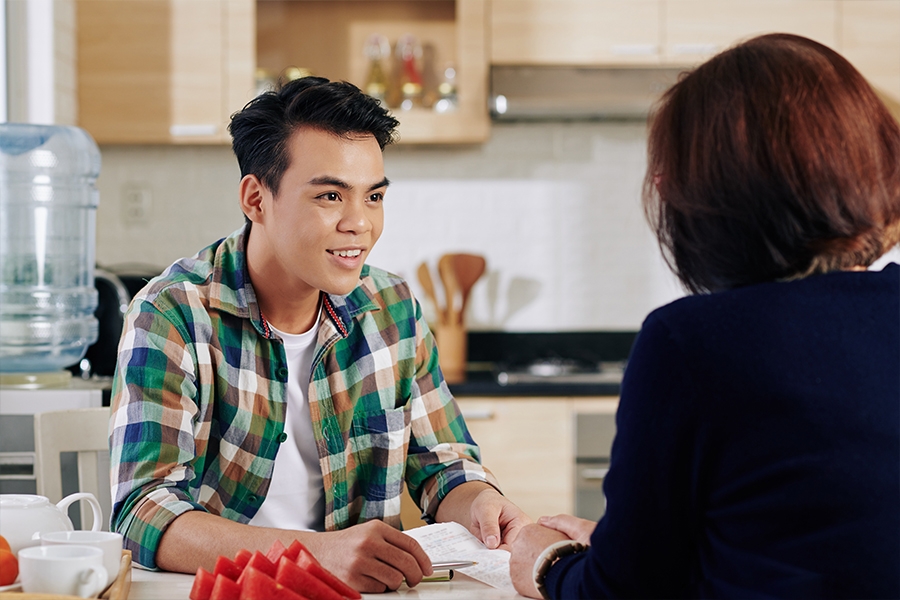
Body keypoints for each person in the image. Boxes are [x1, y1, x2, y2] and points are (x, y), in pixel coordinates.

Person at [509, 33, 900, 599]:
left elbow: (622, 594)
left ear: (708, 198)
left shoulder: (693, 341)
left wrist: (546, 563)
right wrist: (630, 544)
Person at [109, 76, 530, 592]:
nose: (360, 224)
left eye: (373, 197)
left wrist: (482, 502)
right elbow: (142, 512)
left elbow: (443, 467)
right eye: (331, 195)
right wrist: (317, 555)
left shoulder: (391, 307)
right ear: (256, 199)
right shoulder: (172, 312)